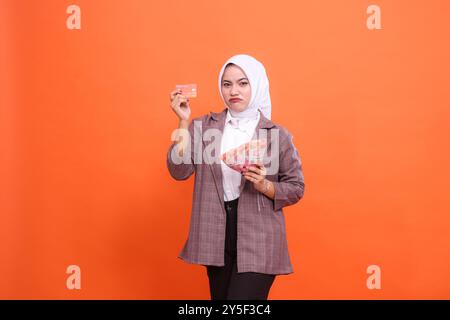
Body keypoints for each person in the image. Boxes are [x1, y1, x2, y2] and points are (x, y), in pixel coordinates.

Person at [167, 54, 305, 300]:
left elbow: (296, 188)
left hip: (260, 236)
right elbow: (178, 170)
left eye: (243, 83)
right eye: (227, 84)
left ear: (257, 85)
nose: (234, 91)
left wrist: (264, 184)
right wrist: (182, 120)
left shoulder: (276, 135)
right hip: (215, 235)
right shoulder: (203, 127)